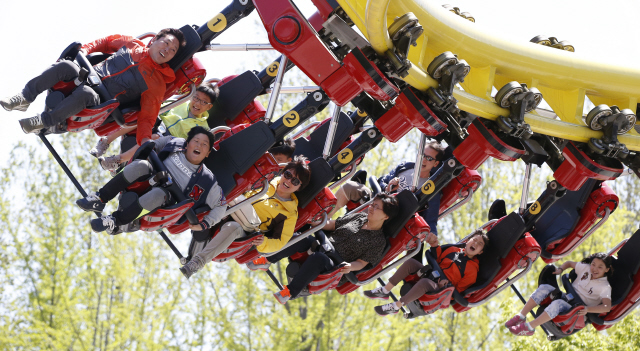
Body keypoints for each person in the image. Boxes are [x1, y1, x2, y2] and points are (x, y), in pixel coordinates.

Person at [1, 28, 186, 142]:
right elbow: (105, 42)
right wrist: (86, 49)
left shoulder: (157, 84)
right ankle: (25, 97)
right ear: (155, 40)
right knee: (66, 66)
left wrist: (144, 140)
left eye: (173, 50)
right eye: (166, 43)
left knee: (87, 93)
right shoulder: (132, 44)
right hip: (87, 75)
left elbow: (147, 116)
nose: (167, 50)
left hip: (99, 101)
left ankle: (45, 121)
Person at [249, 192, 400, 304]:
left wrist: (349, 267)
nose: (371, 208)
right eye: (372, 204)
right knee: (300, 238)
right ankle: (266, 260)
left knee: (319, 258)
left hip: (332, 265)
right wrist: (316, 222)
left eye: (376, 207)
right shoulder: (359, 217)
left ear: (385, 216)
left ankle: (290, 292)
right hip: (322, 244)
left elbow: (362, 263)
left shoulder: (378, 241)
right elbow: (333, 224)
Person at [75, 126, 226, 237]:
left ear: (208, 153)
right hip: (148, 177)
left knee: (158, 194)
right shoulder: (175, 143)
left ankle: (115, 221)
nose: (199, 145)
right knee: (141, 165)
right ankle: (100, 198)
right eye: (196, 141)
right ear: (187, 143)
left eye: (204, 144)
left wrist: (205, 224)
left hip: (165, 199)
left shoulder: (207, 179)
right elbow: (153, 145)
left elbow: (221, 205)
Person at [179, 156, 312, 279]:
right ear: (283, 172)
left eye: (294, 181)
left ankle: (197, 262)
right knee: (218, 197)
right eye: (288, 175)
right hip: (229, 209)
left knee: (233, 227)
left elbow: (280, 241)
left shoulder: (289, 212)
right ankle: (189, 248)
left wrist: (264, 242)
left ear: (299, 188)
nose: (288, 181)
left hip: (244, 230)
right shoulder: (267, 180)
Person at [334, 140, 446, 261]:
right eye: (423, 155)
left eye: (429, 158)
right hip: (378, 198)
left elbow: (431, 219)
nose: (424, 160)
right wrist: (388, 187)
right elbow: (382, 181)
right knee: (351, 187)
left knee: (376, 210)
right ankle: (322, 220)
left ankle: (342, 234)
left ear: (435, 164)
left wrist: (432, 235)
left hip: (389, 216)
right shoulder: (405, 167)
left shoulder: (430, 189)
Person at [95, 82, 220, 172]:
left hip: (167, 139)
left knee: (153, 138)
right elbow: (162, 107)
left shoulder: (203, 128)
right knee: (143, 117)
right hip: (159, 123)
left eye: (203, 102)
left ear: (209, 107)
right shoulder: (182, 101)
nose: (197, 103)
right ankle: (105, 141)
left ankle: (117, 161)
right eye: (196, 98)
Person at [364, 229, 488, 316]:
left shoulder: (472, 270)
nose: (475, 243)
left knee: (425, 282)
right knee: (411, 263)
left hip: (441, 291)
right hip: (432, 274)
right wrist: (434, 245)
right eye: (474, 240)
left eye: (479, 244)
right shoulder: (453, 249)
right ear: (468, 241)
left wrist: (445, 287)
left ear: (480, 252)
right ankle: (385, 290)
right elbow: (437, 257)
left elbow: (459, 291)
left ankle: (396, 306)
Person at [506, 253, 613, 336]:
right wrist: (560, 270)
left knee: (558, 303)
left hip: (577, 312)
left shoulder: (604, 287)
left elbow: (606, 307)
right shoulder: (586, 268)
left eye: (600, 267)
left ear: (606, 270)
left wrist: (587, 309)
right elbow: (570, 263)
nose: (594, 269)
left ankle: (529, 328)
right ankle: (521, 316)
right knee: (546, 288)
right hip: (567, 298)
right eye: (593, 264)